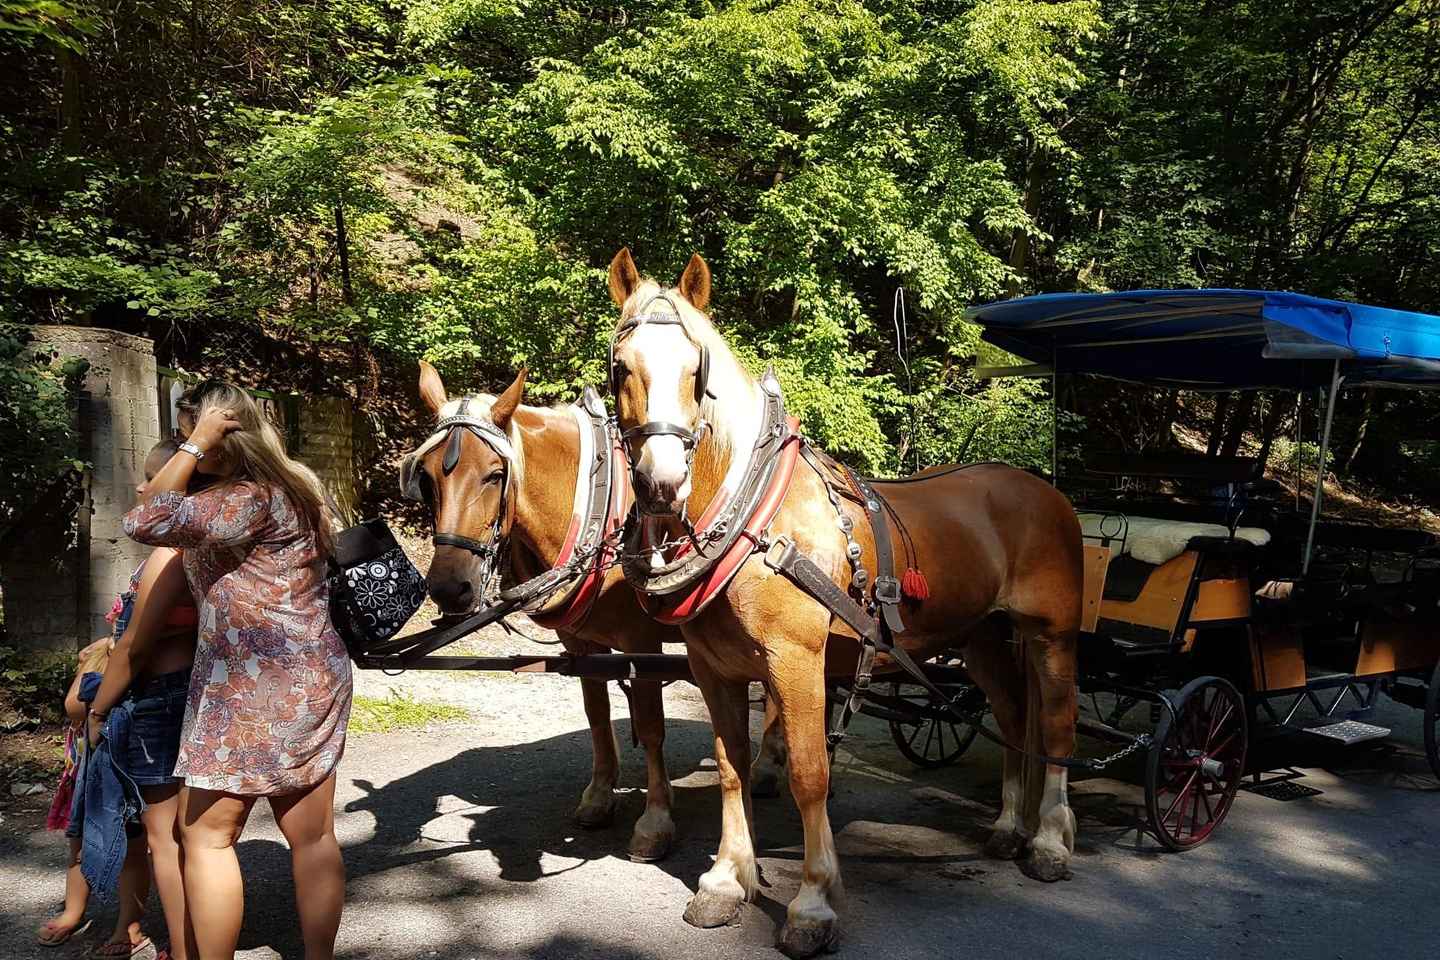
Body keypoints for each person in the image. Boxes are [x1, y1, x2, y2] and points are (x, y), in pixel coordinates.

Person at [103, 380, 352, 960]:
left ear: (220, 434)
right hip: (314, 674)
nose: (183, 442)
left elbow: (144, 520)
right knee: (312, 836)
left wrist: (195, 446)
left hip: (249, 686)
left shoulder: (244, 499)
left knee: (206, 837)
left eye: (191, 432)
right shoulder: (300, 485)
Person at [88, 437, 204, 960]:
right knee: (188, 834)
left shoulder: (169, 555)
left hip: (160, 698)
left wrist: (97, 709)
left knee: (166, 838)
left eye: (153, 478)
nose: (140, 486)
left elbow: (134, 648)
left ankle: (183, 948)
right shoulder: (207, 548)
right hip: (191, 694)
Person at [37, 638, 151, 955]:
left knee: (133, 852)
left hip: (125, 778)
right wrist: (97, 660)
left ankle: (129, 924)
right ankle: (73, 911)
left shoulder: (150, 655)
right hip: (83, 777)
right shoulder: (102, 654)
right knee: (77, 846)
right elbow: (73, 707)